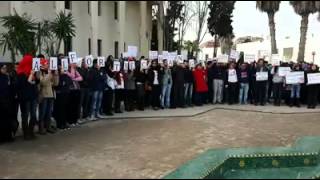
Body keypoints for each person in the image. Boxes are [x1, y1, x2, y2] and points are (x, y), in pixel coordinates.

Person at [16, 55, 39, 140]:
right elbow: (24, 84)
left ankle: (31, 131)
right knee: (25, 115)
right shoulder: (20, 73)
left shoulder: (32, 71)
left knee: (33, 115)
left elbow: (37, 82)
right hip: (25, 98)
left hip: (33, 97)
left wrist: (36, 73)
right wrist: (31, 75)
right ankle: (26, 133)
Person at [38, 59, 59, 135]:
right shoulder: (39, 72)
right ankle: (41, 128)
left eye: (48, 64)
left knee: (49, 112)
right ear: (42, 65)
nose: (48, 65)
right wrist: (49, 74)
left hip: (50, 95)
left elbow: (56, 84)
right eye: (46, 64)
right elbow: (42, 82)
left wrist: (56, 75)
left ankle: (48, 126)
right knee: (42, 112)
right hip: (43, 95)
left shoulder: (49, 72)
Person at [53, 57, 73, 130]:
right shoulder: (56, 72)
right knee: (60, 109)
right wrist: (59, 74)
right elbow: (56, 84)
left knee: (65, 108)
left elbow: (70, 80)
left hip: (66, 91)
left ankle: (64, 122)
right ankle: (60, 123)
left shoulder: (66, 72)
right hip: (60, 92)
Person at [0, 64, 16, 143]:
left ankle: (8, 136)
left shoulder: (7, 77)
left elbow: (11, 87)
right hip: (1, 102)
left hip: (8, 101)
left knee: (8, 119)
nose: (5, 69)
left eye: (5, 68)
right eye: (3, 68)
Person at [66, 62, 83, 126]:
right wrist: (72, 69)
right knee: (71, 107)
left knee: (76, 106)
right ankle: (71, 121)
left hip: (77, 89)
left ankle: (75, 120)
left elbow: (81, 78)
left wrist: (74, 79)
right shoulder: (66, 71)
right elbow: (72, 75)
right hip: (71, 90)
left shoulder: (75, 70)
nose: (74, 64)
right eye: (72, 63)